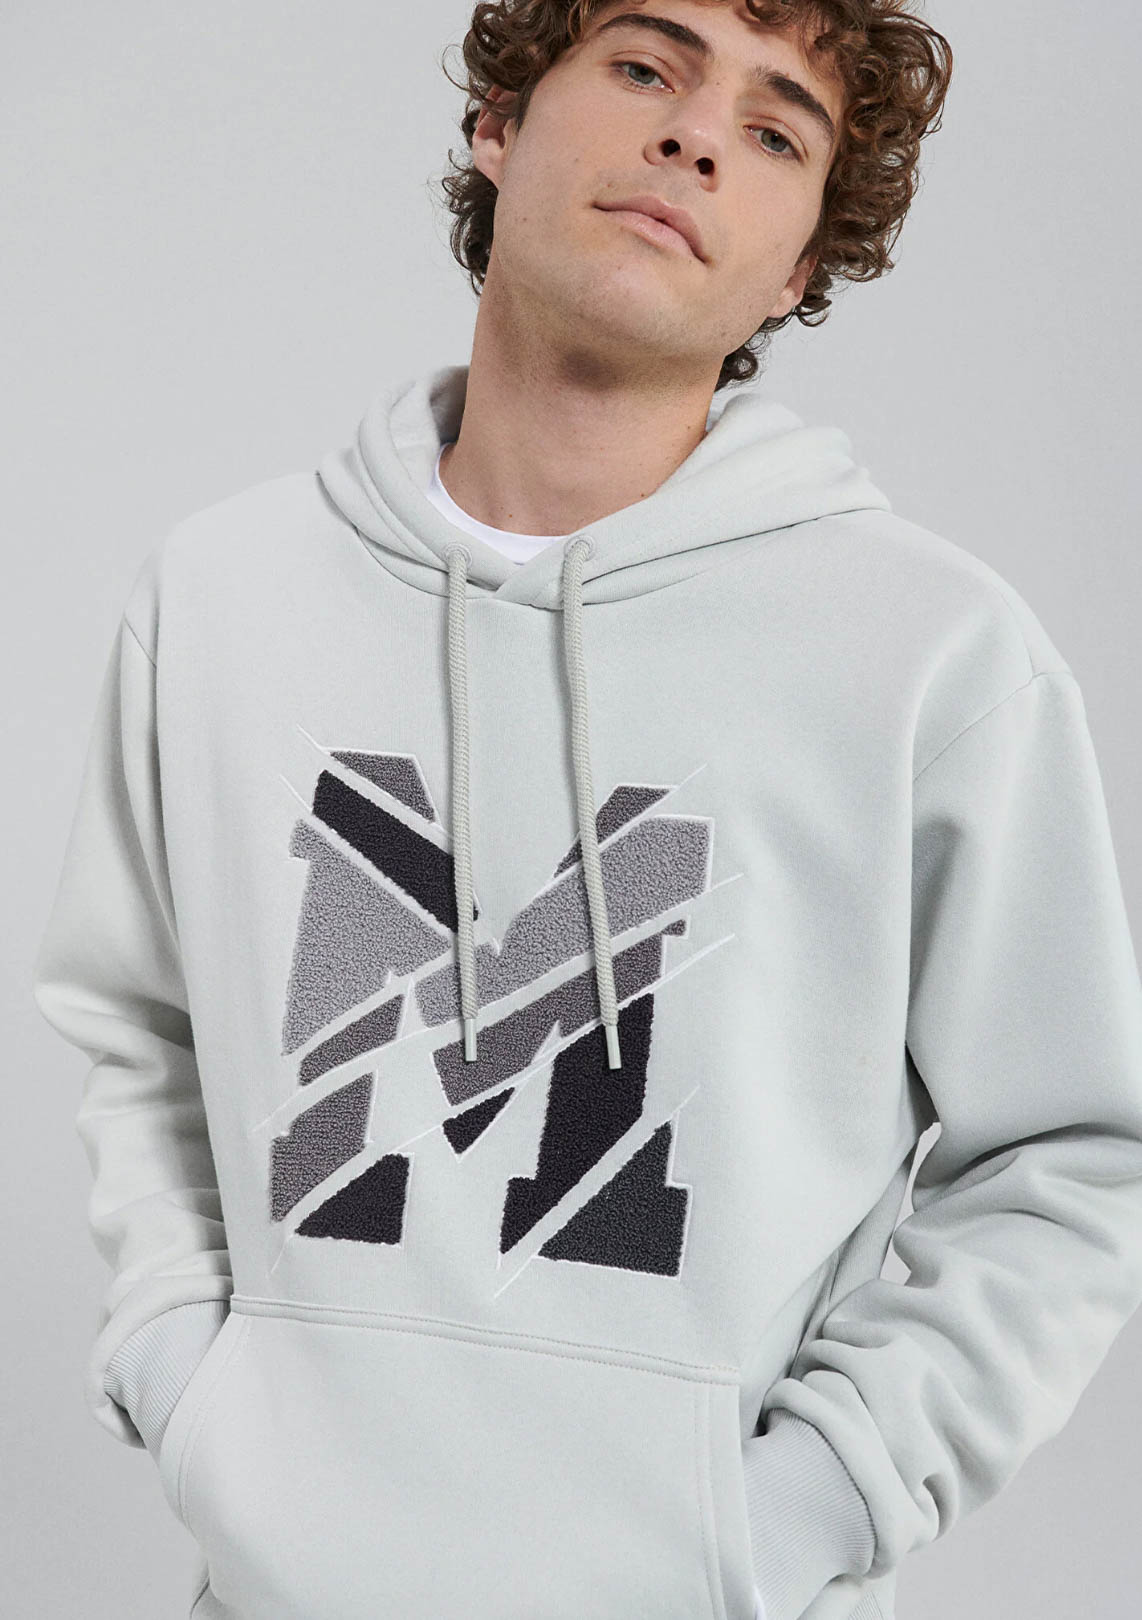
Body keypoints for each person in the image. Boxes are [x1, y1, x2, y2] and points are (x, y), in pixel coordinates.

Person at [31, 2, 1142, 1618]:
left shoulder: (931, 658)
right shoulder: (219, 598)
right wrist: (178, 1364)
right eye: (643, 67)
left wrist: (805, 1503)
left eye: (774, 130)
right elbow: (142, 1035)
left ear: (797, 269)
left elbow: (1067, 1155)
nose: (694, 135)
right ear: (498, 122)